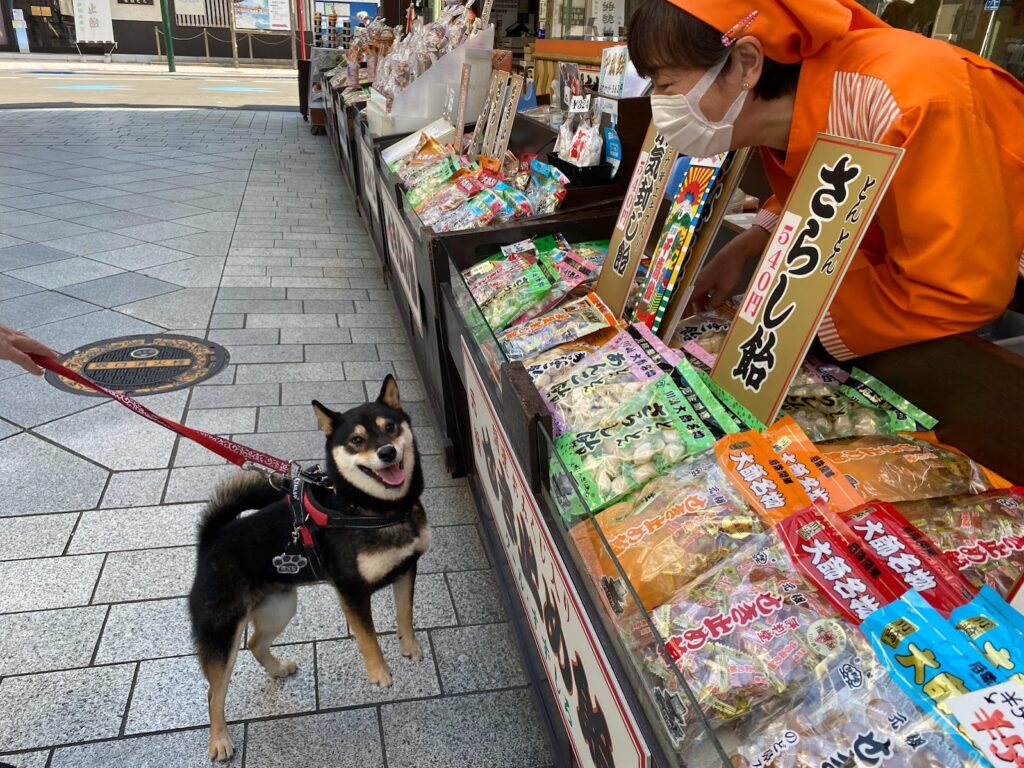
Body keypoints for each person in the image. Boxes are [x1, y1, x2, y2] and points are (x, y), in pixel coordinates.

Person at [628, 0, 1024, 359]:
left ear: (747, 63)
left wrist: (786, 320)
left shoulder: (903, 99)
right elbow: (821, 191)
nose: (659, 106)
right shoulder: (788, 109)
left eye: (665, 84)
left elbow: (956, 290)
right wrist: (748, 245)